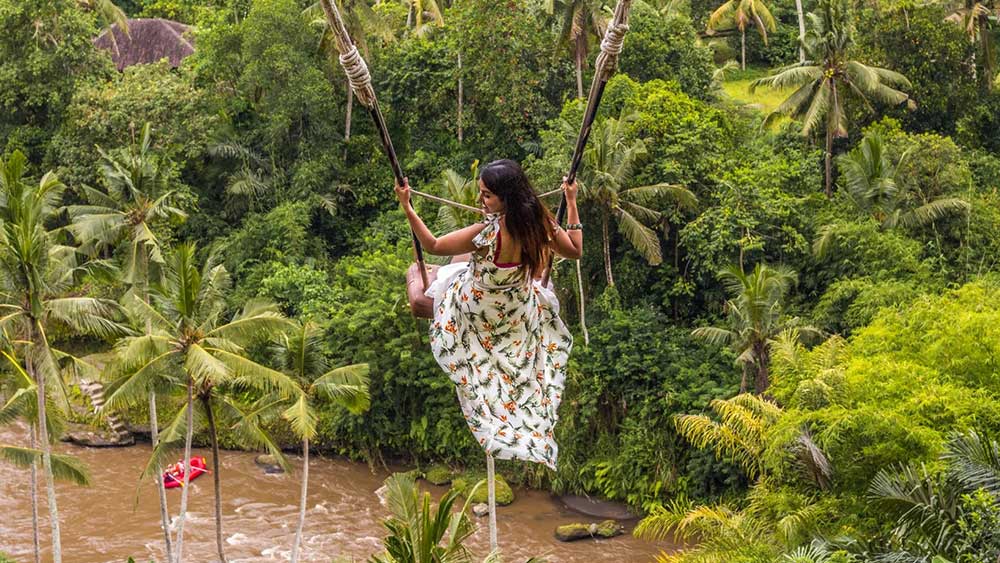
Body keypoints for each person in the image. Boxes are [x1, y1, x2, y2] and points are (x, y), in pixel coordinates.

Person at [395, 159, 582, 469]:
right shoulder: (541, 223)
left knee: (428, 271)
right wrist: (571, 202)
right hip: (518, 309)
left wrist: (407, 207)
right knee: (464, 258)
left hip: (477, 309)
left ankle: (440, 277)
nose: (480, 201)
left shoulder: (488, 231)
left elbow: (433, 244)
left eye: (486, 196)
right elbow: (574, 250)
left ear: (505, 198)